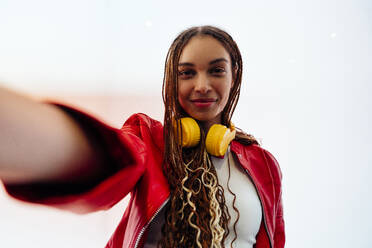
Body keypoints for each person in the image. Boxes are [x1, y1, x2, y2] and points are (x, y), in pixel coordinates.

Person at [0, 26, 285, 248]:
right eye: (187, 73)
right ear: (172, 79)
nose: (201, 85)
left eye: (216, 70)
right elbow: (108, 160)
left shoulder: (263, 165)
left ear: (234, 76)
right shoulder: (150, 141)